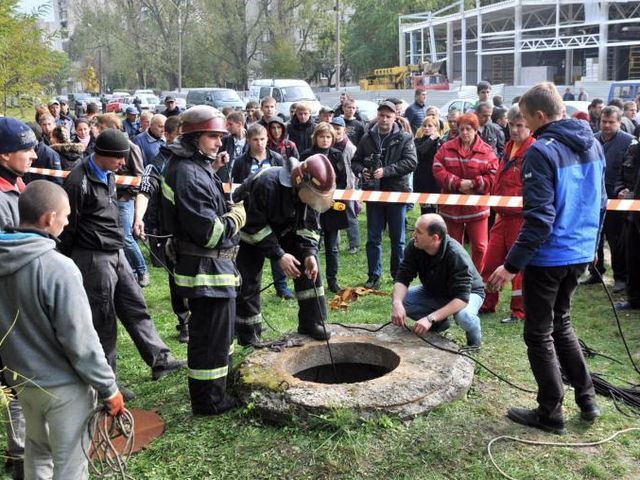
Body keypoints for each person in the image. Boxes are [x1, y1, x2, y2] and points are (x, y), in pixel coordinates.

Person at [487, 82, 605, 435]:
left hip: (551, 254)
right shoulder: (593, 143)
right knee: (562, 325)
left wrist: (511, 265)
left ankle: (550, 411)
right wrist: (593, 248)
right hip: (579, 251)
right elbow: (601, 202)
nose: (522, 124)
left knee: (538, 334)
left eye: (524, 118)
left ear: (539, 116)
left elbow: (539, 218)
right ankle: (588, 399)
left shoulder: (541, 151)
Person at [0, 180, 125, 480]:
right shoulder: (59, 267)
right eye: (66, 216)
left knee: (37, 455)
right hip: (64, 389)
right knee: (70, 465)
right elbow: (80, 341)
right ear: (49, 218)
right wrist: (109, 388)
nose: (68, 222)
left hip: (23, 383)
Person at [59, 128, 186, 397]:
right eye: (119, 158)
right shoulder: (77, 181)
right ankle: (109, 383)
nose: (122, 163)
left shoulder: (109, 174)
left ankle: (160, 360)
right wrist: (72, 261)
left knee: (135, 306)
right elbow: (68, 226)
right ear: (104, 155)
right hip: (92, 258)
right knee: (103, 319)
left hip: (117, 253)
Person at [160, 106, 245, 415]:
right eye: (213, 136)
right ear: (194, 137)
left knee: (218, 337)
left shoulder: (195, 166)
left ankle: (219, 390)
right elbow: (210, 233)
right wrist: (236, 216)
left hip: (211, 271)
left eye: (221, 136)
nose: (219, 143)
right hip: (205, 273)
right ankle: (210, 401)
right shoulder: (186, 173)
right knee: (210, 340)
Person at [233, 154, 335, 345]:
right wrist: (278, 255)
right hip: (250, 230)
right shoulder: (266, 184)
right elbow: (254, 227)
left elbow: (310, 228)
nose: (316, 201)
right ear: (300, 183)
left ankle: (312, 322)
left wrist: (309, 253)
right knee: (248, 279)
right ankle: (247, 333)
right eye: (315, 195)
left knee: (309, 268)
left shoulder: (309, 195)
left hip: (283, 228)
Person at [0, 117, 38, 480]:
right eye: (26, 149)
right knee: (15, 385)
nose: (33, 153)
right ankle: (21, 458)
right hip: (6, 308)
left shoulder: (15, 183)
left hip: (18, 301)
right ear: (4, 154)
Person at [133, 116, 190, 343]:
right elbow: (144, 190)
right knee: (177, 278)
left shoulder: (194, 159)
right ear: (167, 135)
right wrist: (139, 218)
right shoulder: (156, 163)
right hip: (170, 233)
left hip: (197, 229)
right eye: (179, 136)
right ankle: (184, 321)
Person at [391, 214, 484, 349]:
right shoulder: (415, 246)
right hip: (435, 290)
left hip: (469, 293)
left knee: (464, 316)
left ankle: (474, 342)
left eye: (419, 232)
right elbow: (402, 277)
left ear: (435, 238)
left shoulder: (456, 255)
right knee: (402, 300)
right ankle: (439, 324)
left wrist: (429, 318)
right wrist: (397, 303)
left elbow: (462, 298)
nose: (413, 235)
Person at [351, 101, 417, 289]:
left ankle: (398, 276)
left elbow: (411, 162)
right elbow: (355, 161)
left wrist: (386, 171)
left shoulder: (404, 137)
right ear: (377, 116)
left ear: (395, 117)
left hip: (397, 193)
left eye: (388, 116)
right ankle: (373, 275)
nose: (385, 119)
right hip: (374, 194)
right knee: (373, 238)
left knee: (398, 239)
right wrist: (362, 170)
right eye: (382, 115)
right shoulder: (367, 138)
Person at [479, 104, 534, 323]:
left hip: (520, 218)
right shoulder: (508, 147)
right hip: (502, 216)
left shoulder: (532, 150)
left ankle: (519, 311)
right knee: (490, 262)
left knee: (517, 266)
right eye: (511, 124)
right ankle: (487, 302)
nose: (514, 129)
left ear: (529, 126)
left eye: (519, 125)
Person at [231, 124, 295, 301]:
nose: (259, 143)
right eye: (255, 140)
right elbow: (236, 188)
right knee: (250, 262)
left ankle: (281, 286)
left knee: (276, 250)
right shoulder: (240, 162)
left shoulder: (276, 158)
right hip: (251, 215)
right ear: (248, 141)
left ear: (267, 140)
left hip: (274, 214)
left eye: (262, 139)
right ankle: (246, 295)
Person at [433, 113, 498, 273]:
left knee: (481, 247)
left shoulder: (487, 151)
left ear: (476, 130)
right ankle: (457, 275)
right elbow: (437, 168)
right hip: (451, 208)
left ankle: (478, 279)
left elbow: (494, 174)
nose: (464, 133)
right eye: (461, 129)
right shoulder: (446, 148)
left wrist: (474, 184)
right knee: (454, 246)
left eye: (468, 129)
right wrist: (457, 183)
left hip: (477, 208)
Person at [580, 106, 635, 292]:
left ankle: (620, 277)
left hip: (615, 198)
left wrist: (626, 190)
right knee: (594, 236)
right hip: (593, 197)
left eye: (611, 122)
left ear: (619, 123)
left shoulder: (628, 142)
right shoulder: (591, 139)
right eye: (604, 121)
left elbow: (632, 171)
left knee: (615, 239)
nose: (607, 125)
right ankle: (595, 272)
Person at [300, 122, 351, 293]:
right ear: (315, 138)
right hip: (312, 207)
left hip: (332, 206)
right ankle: (313, 278)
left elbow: (343, 180)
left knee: (332, 246)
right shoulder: (306, 155)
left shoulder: (337, 155)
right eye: (321, 136)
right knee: (312, 244)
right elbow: (301, 180)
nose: (325, 140)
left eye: (328, 137)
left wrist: (335, 199)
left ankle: (332, 280)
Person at [614, 141, 640, 310]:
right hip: (634, 215)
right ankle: (635, 299)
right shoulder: (633, 150)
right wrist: (621, 189)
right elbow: (621, 175)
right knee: (633, 258)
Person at [331, 116, 360, 254]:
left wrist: (352, 185)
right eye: (333, 128)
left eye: (338, 128)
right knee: (333, 212)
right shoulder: (329, 145)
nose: (335, 131)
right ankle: (334, 244)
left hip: (347, 185)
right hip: (332, 185)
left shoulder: (350, 148)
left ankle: (354, 244)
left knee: (349, 214)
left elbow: (354, 168)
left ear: (344, 130)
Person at [413, 115, 443, 215]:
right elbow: (420, 151)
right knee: (425, 210)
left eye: (430, 126)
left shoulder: (440, 142)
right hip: (421, 178)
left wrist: (435, 139)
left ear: (436, 127)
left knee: (434, 210)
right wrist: (430, 139)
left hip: (434, 179)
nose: (426, 128)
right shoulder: (417, 141)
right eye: (424, 125)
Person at [218, 111, 248, 183]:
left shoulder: (250, 140)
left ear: (239, 124)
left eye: (230, 124)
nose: (227, 127)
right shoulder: (225, 140)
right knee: (227, 193)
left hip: (243, 178)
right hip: (227, 179)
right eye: (227, 124)